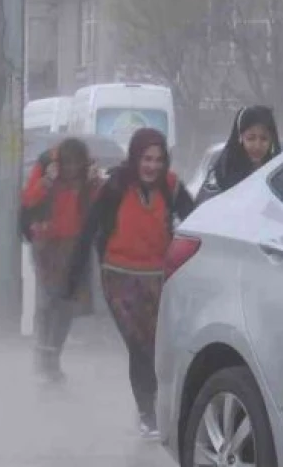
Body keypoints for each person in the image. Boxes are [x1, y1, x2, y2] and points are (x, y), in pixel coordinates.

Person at [67, 127, 196, 439]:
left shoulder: (172, 187)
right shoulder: (115, 186)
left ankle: (162, 404)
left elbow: (196, 221)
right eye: (145, 158)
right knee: (138, 345)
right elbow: (89, 230)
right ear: (135, 158)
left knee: (157, 345)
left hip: (158, 278)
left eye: (157, 159)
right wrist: (73, 277)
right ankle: (146, 412)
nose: (151, 165)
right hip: (119, 278)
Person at [20, 137, 103, 383]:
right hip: (46, 245)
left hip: (76, 246)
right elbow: (28, 200)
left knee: (66, 305)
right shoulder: (46, 166)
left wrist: (96, 182)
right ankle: (43, 352)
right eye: (67, 165)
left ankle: (53, 354)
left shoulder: (88, 176)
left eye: (76, 166)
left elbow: (100, 206)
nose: (71, 171)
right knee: (49, 300)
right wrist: (47, 181)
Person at [196, 105, 282, 204]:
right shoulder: (223, 171)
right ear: (240, 137)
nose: (257, 146)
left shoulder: (279, 170)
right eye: (251, 138)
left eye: (264, 139)